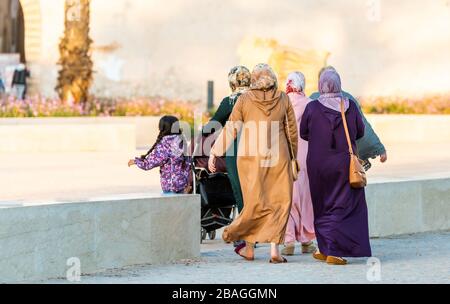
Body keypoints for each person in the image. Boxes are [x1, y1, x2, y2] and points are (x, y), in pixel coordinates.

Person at [208, 64, 298, 263]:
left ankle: (249, 248)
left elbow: (231, 128)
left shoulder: (244, 99)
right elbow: (292, 131)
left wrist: (215, 153)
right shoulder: (283, 98)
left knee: (252, 202)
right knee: (279, 203)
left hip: (250, 158)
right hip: (278, 157)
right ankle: (275, 250)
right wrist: (293, 157)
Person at [301, 69, 372, 265]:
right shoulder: (350, 106)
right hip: (343, 164)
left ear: (320, 85)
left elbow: (303, 133)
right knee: (342, 205)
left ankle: (325, 248)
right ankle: (333, 251)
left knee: (321, 204)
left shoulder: (312, 107)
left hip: (317, 164)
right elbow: (359, 131)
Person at [310, 66, 387, 170]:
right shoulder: (348, 99)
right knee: (345, 184)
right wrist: (379, 149)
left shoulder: (313, 100)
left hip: (321, 156)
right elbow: (362, 127)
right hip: (344, 155)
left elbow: (303, 130)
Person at [203, 66, 251, 213]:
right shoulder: (258, 98)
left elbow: (212, 125)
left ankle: (245, 230)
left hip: (235, 150)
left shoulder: (230, 101)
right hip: (259, 148)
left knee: (240, 191)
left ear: (232, 83)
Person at [281, 72, 316, 256]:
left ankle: (288, 241)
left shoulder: (281, 103)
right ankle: (306, 240)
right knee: (305, 198)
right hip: (305, 156)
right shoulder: (310, 104)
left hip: (285, 156)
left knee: (288, 196)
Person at [128, 115, 190, 194]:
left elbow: (149, 163)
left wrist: (136, 161)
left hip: (171, 186)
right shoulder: (182, 141)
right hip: (183, 185)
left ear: (162, 128)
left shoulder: (165, 144)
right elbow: (188, 163)